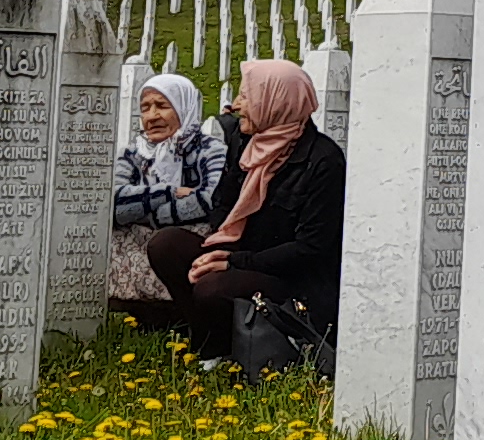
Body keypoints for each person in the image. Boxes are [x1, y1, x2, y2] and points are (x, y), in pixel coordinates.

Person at [143, 58, 344, 366]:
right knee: (166, 246)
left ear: (274, 101)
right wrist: (218, 247)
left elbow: (310, 249)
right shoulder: (245, 139)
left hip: (292, 280)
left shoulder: (322, 161)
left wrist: (233, 261)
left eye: (246, 96)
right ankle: (212, 343)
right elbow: (223, 202)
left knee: (212, 285)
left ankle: (247, 347)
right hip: (242, 254)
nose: (235, 105)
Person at [110, 71, 225, 317]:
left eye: (162, 106)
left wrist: (146, 214)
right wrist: (167, 192)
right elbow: (114, 203)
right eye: (145, 108)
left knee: (168, 241)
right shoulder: (132, 154)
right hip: (142, 239)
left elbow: (209, 200)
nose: (152, 117)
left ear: (184, 107)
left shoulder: (209, 150)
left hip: (185, 242)